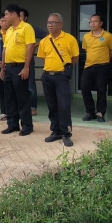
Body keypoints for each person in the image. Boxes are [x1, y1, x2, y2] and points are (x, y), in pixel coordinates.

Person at [38, 13, 78, 147]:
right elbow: (43, 58)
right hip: (47, 76)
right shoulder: (44, 41)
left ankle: (66, 133)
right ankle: (55, 131)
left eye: (53, 22)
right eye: (48, 22)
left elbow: (75, 58)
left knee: (64, 105)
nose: (50, 24)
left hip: (61, 77)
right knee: (52, 105)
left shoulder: (70, 39)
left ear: (60, 24)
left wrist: (62, 67)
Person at [0, 4, 36, 136]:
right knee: (9, 98)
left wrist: (26, 67)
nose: (5, 17)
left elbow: (31, 47)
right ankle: (12, 124)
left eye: (6, 14)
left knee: (22, 98)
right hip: (8, 68)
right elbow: (5, 49)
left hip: (20, 67)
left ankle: (27, 126)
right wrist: (3, 67)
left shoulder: (26, 28)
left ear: (14, 14)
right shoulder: (9, 30)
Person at [81, 14, 112, 122]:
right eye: (91, 22)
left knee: (101, 90)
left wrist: (106, 59)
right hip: (88, 66)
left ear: (101, 23)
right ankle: (90, 112)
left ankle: (100, 112)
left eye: (95, 21)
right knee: (84, 88)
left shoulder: (108, 36)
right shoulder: (86, 36)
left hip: (102, 67)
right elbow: (86, 50)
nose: (92, 23)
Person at [19, 8, 47, 116]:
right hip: (16, 61)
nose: (18, 18)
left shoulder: (31, 28)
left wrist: (34, 45)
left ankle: (32, 107)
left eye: (20, 16)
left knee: (30, 85)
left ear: (25, 18)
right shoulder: (13, 29)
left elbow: (46, 36)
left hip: (28, 60)